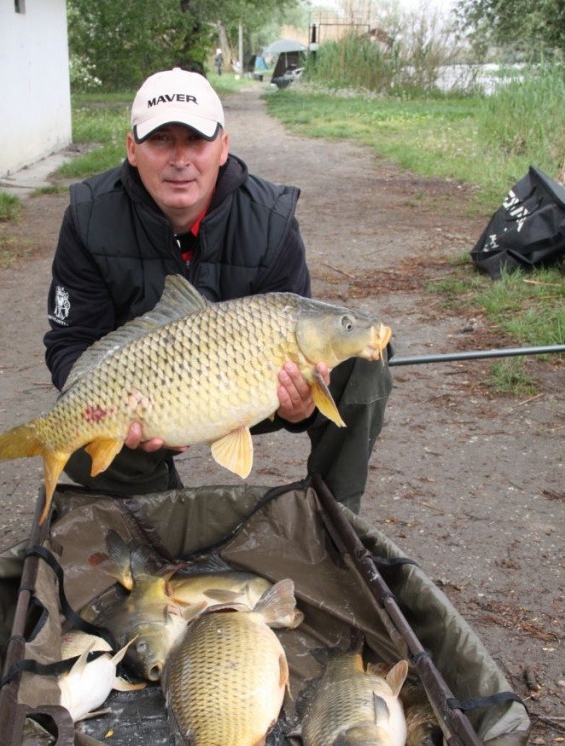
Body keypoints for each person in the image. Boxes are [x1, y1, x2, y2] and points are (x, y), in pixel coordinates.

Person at [44, 67, 391, 513]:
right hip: (148, 399)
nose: (180, 159)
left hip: (250, 389)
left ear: (223, 146)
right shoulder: (88, 218)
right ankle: (161, 517)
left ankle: (335, 519)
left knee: (364, 366)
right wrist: (115, 406)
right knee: (75, 427)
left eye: (196, 140)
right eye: (161, 140)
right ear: (132, 149)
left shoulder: (271, 220)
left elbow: (298, 375)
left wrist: (299, 408)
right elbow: (69, 343)